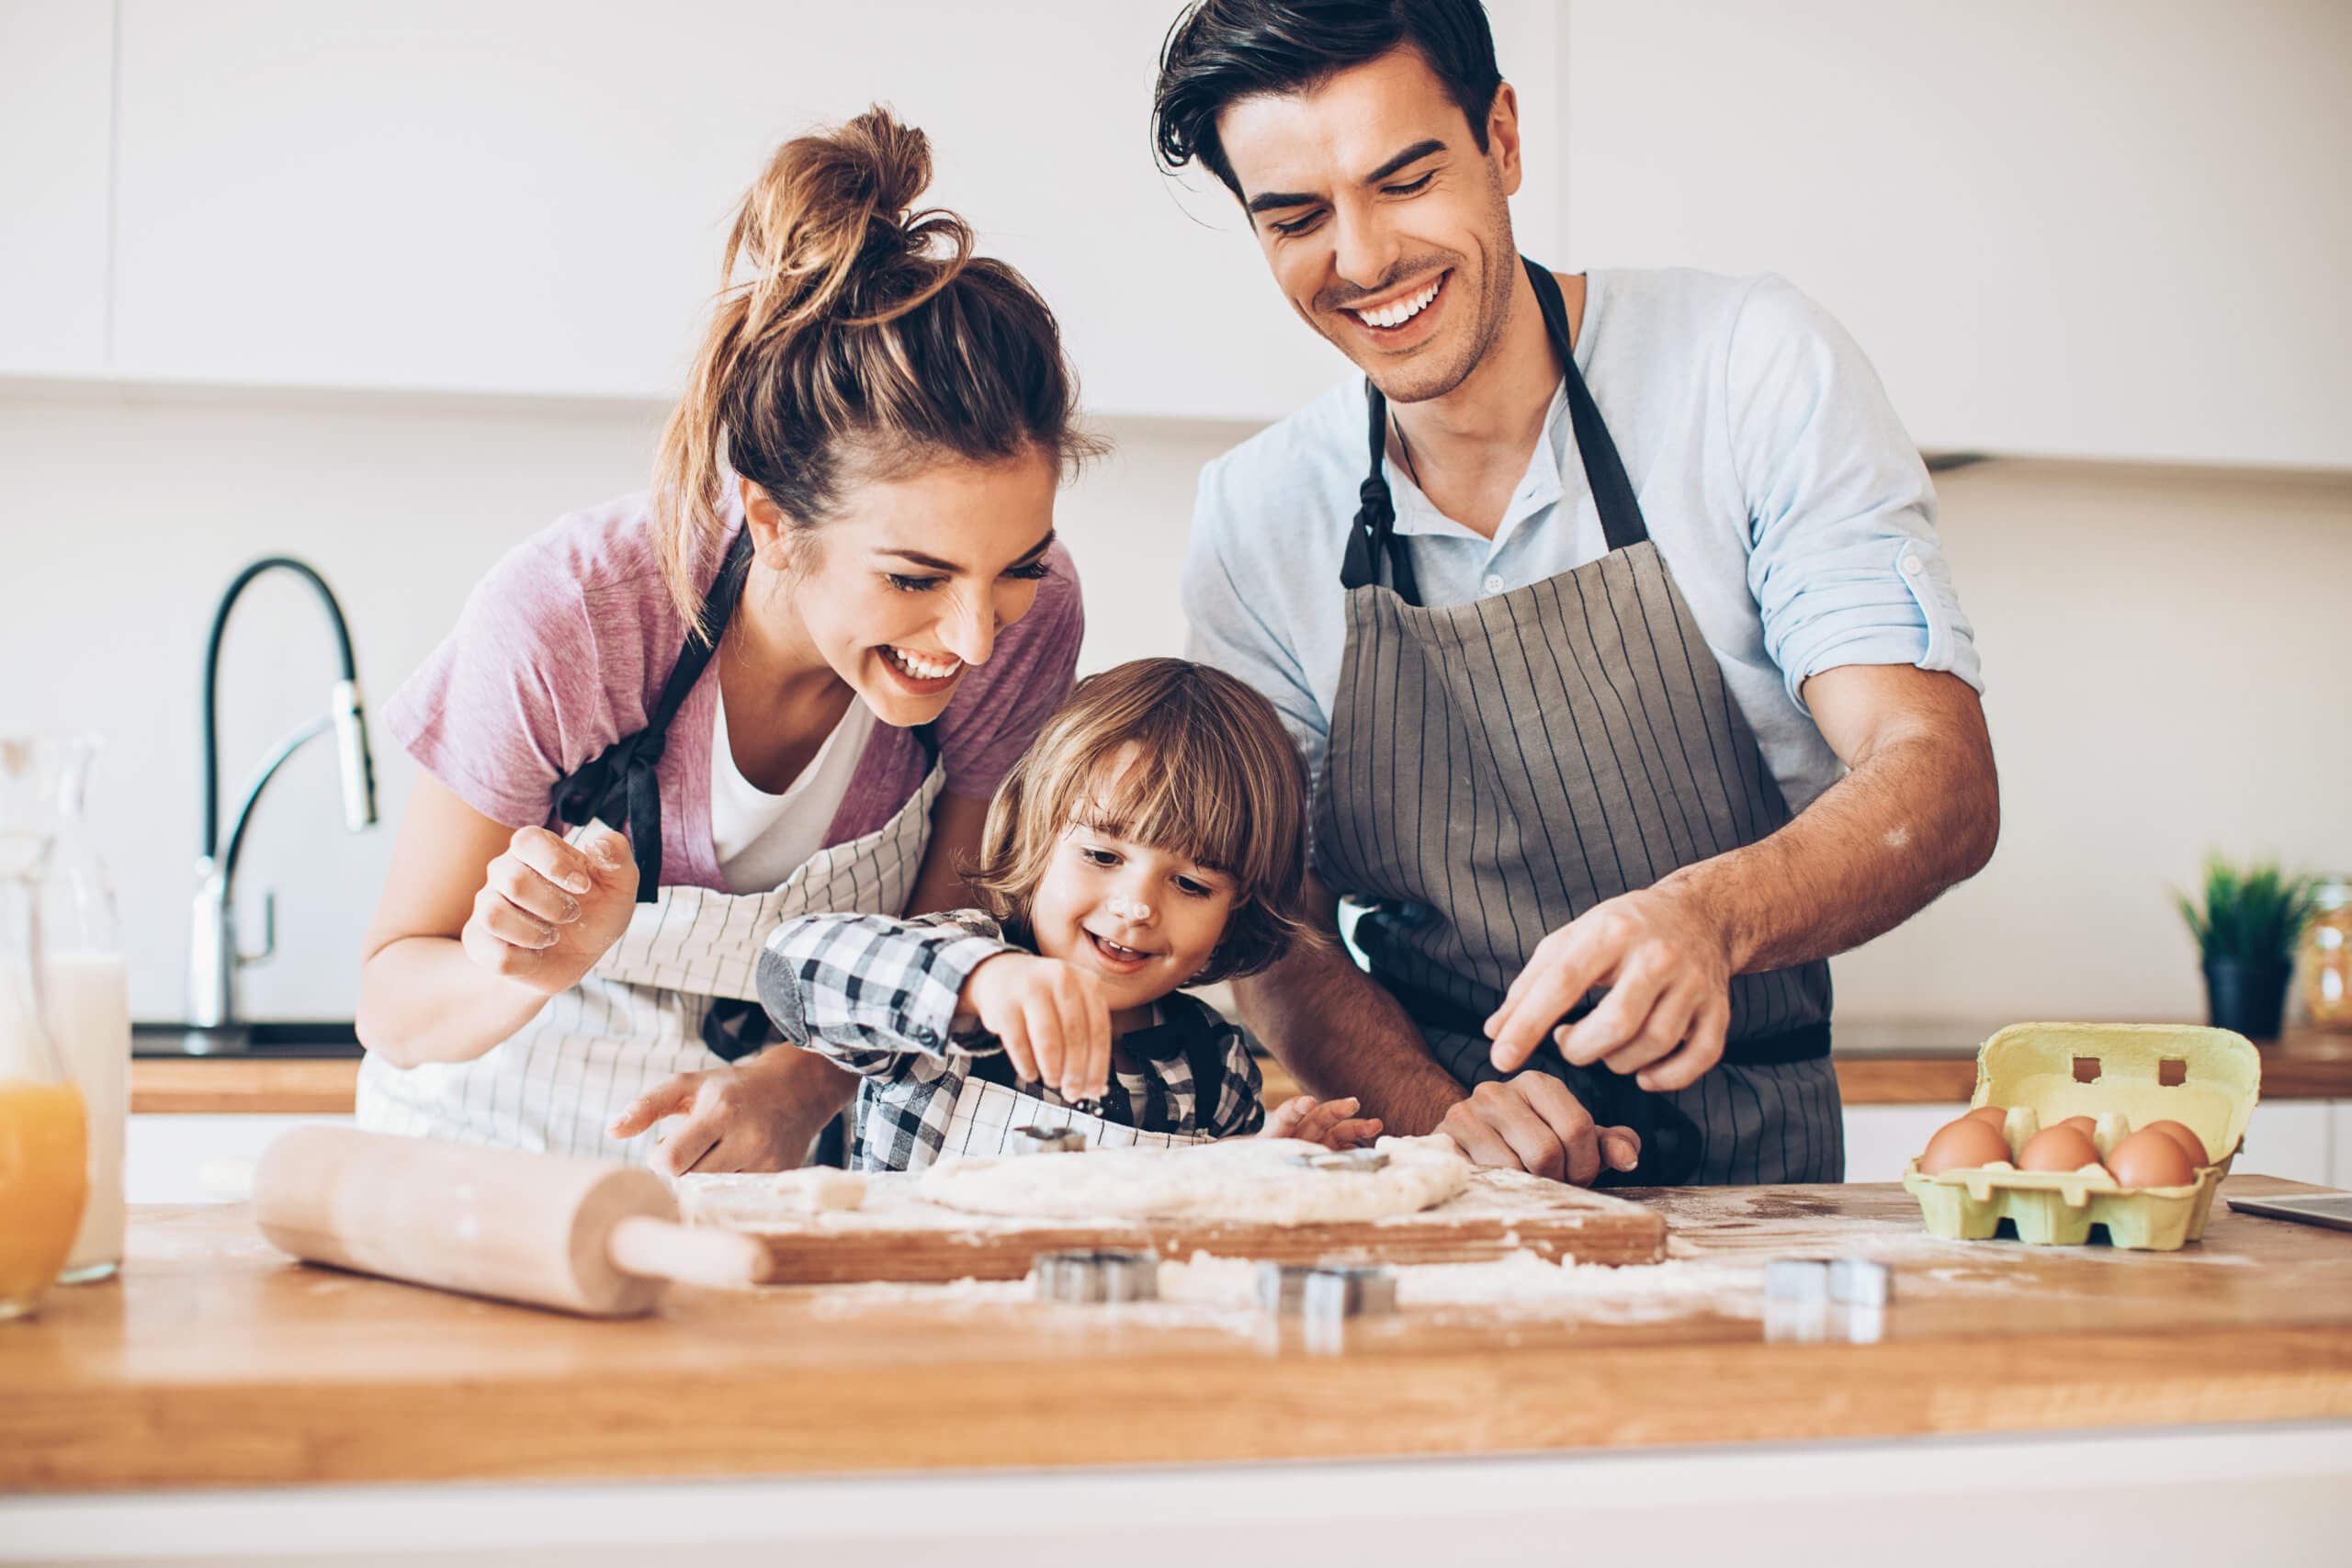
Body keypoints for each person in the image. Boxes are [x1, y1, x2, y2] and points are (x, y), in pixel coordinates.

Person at [1153, 0, 2000, 1186]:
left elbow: (1940, 775)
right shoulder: (1254, 519)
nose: (1362, 258)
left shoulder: (1746, 370)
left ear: (1500, 138)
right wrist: (1448, 1121)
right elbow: (1263, 917)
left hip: (1761, 1182)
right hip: (1441, 1182)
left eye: (1405, 180)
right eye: (1296, 217)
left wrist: (1709, 917)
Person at [352, 107, 1097, 1176]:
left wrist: (801, 1086)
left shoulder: (1037, 621)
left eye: (1016, 566)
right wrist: (526, 964)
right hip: (493, 1157)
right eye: (912, 578)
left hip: (791, 1160)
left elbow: (945, 933)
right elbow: (394, 1001)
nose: (976, 635)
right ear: (771, 519)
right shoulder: (576, 618)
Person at [757, 659, 1379, 1171]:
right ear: (1037, 838)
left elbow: (1201, 1228)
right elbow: (792, 968)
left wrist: (1262, 1166)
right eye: (1102, 854)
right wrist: (981, 980)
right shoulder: (961, 983)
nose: (1137, 906)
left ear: (1237, 908)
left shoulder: (1218, 1066)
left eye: (1190, 883)